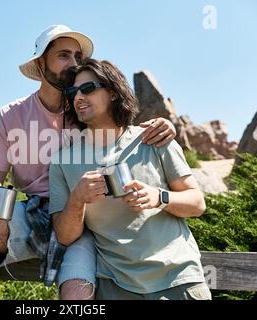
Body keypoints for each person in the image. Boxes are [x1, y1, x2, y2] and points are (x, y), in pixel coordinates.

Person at [0, 25, 177, 300]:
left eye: (77, 57)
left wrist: (166, 124)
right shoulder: (9, 116)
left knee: (76, 292)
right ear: (41, 63)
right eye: (63, 55)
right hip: (32, 211)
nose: (73, 64)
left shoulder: (87, 110)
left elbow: (125, 136)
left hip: (84, 218)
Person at [49, 58, 211, 300]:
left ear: (113, 92)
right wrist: (77, 199)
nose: (78, 97)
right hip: (117, 287)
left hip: (179, 279)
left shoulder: (154, 138)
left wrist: (159, 197)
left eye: (88, 89)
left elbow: (197, 204)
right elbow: (64, 237)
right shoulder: (62, 162)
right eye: (73, 92)